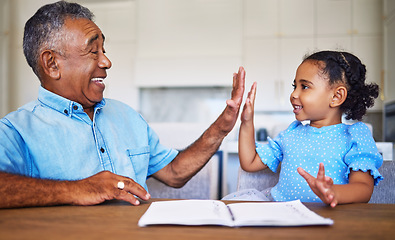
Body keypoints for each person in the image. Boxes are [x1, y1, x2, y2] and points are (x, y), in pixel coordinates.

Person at [0, 1, 245, 208]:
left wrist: (221, 127)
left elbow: (174, 173)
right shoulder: (15, 131)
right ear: (52, 64)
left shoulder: (127, 115)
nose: (106, 61)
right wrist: (76, 190)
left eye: (103, 49)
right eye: (92, 51)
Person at [230, 50, 383, 207]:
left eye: (304, 87)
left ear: (336, 96)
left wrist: (333, 192)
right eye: (294, 86)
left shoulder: (355, 137)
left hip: (329, 219)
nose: (294, 94)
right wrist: (247, 122)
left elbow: (363, 188)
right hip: (281, 214)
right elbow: (249, 162)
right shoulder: (291, 133)